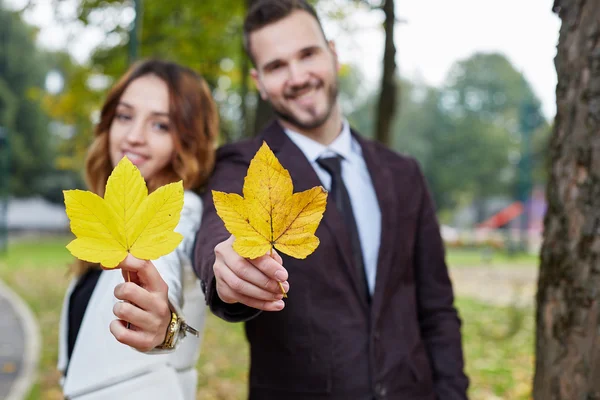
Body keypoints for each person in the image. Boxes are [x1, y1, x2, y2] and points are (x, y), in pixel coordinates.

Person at [191, 1, 470, 399]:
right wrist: (226, 270)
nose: (298, 77)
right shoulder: (241, 164)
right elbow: (216, 236)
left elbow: (437, 308)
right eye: (276, 66)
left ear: (333, 53)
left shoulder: (403, 173)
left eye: (307, 54)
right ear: (259, 81)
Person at [57, 59, 219, 400]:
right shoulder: (111, 219)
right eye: (125, 116)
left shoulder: (182, 207)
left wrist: (163, 324)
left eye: (160, 125)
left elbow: (164, 269)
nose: (134, 137)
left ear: (188, 139)